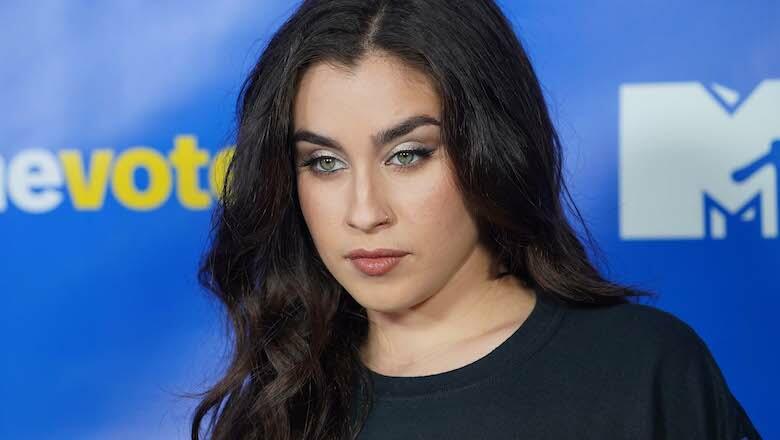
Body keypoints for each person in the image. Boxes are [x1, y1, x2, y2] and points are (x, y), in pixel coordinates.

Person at [189, 0, 762, 438]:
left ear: (494, 150)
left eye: (408, 155)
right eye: (324, 162)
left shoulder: (643, 369)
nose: (364, 212)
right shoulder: (277, 406)